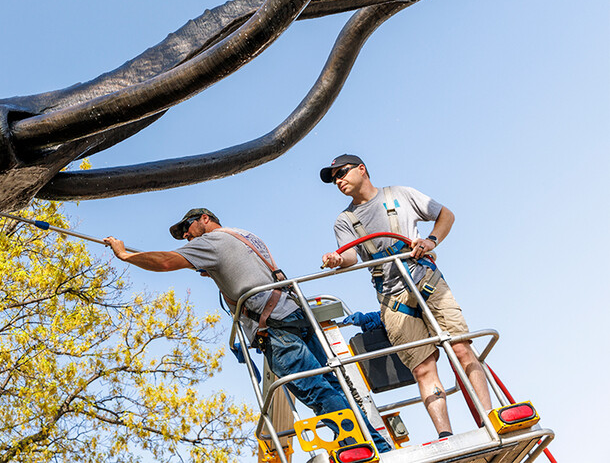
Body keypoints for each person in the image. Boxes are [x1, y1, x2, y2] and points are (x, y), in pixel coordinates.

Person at [105, 208, 392, 453]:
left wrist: (125, 255)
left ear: (205, 219)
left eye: (187, 228)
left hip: (276, 329)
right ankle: (379, 445)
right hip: (294, 314)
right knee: (333, 386)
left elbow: (166, 261)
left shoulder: (211, 242)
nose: (186, 236)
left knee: (317, 391)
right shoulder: (244, 235)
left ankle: (366, 449)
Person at [319, 154, 492, 439]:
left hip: (427, 282)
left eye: (342, 173)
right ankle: (445, 436)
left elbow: (445, 215)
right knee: (423, 368)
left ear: (362, 169)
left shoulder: (399, 195)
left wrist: (431, 241)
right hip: (393, 300)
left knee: (460, 348)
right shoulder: (344, 221)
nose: (338, 180)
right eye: (334, 178)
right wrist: (338, 259)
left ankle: (489, 419)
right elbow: (350, 255)